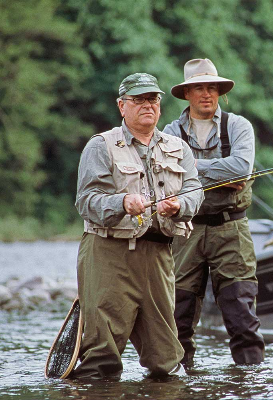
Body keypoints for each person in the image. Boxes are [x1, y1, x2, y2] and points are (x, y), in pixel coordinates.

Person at [72, 73, 203, 380]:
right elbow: (86, 200)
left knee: (167, 361)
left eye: (153, 99)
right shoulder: (100, 145)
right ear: (122, 106)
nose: (148, 105)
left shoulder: (178, 147)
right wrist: (121, 203)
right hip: (108, 254)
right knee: (101, 358)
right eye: (139, 99)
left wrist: (179, 206)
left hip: (159, 256)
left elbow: (195, 190)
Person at [163, 58, 265, 368]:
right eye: (199, 88)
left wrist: (190, 167)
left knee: (241, 314)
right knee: (178, 316)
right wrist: (220, 176)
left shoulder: (238, 126)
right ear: (187, 94)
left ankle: (250, 380)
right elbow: (167, 175)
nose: (206, 94)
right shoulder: (170, 131)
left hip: (231, 230)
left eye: (212, 87)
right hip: (185, 231)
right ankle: (178, 383)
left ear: (219, 92)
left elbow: (240, 168)